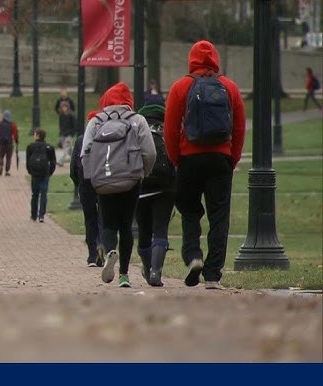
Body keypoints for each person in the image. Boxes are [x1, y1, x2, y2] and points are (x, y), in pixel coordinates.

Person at [164, 40, 246, 290]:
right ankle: (212, 274)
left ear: (191, 60)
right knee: (219, 217)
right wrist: (232, 158)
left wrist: (177, 159)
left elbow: (170, 128)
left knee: (189, 210)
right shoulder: (229, 87)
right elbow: (239, 127)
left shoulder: (181, 87)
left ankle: (193, 256)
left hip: (190, 158)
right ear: (215, 60)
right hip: (220, 158)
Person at [81, 82, 156, 288]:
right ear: (128, 101)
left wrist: (93, 177)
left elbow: (85, 152)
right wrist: (142, 173)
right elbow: (150, 153)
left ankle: (109, 251)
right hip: (130, 180)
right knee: (126, 226)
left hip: (103, 180)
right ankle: (124, 275)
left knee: (108, 223)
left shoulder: (96, 121)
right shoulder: (137, 120)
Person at [135, 102, 175, 287]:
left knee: (144, 231)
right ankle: (156, 272)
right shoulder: (167, 134)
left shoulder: (136, 132)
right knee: (160, 229)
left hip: (141, 189)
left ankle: (147, 266)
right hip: (165, 189)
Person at [70, 115, 103, 267]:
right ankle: (102, 247)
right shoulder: (105, 139)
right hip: (103, 183)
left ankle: (92, 254)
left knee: (90, 219)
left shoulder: (80, 141)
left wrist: (79, 184)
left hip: (86, 184)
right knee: (103, 217)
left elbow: (73, 168)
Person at [26, 128, 56, 223]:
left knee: (35, 194)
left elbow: (28, 161)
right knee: (43, 194)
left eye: (34, 134)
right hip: (44, 173)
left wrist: (30, 171)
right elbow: (53, 161)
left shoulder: (30, 147)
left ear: (38, 135)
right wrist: (50, 172)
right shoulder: (49, 147)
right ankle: (41, 215)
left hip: (35, 173)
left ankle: (33, 215)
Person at [0, 110, 18, 176]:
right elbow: (15, 134)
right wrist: (14, 139)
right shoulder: (12, 125)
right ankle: (7, 171)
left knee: (0, 155)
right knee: (8, 157)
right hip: (9, 143)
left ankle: (1, 165)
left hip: (1, 143)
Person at [57, 101, 77, 167]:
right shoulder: (61, 115)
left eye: (65, 107)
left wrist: (72, 134)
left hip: (69, 134)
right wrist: (60, 134)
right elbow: (60, 125)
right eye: (62, 107)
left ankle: (61, 161)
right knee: (69, 149)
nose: (64, 108)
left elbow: (74, 126)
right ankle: (76, 160)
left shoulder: (71, 115)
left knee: (66, 148)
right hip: (62, 134)